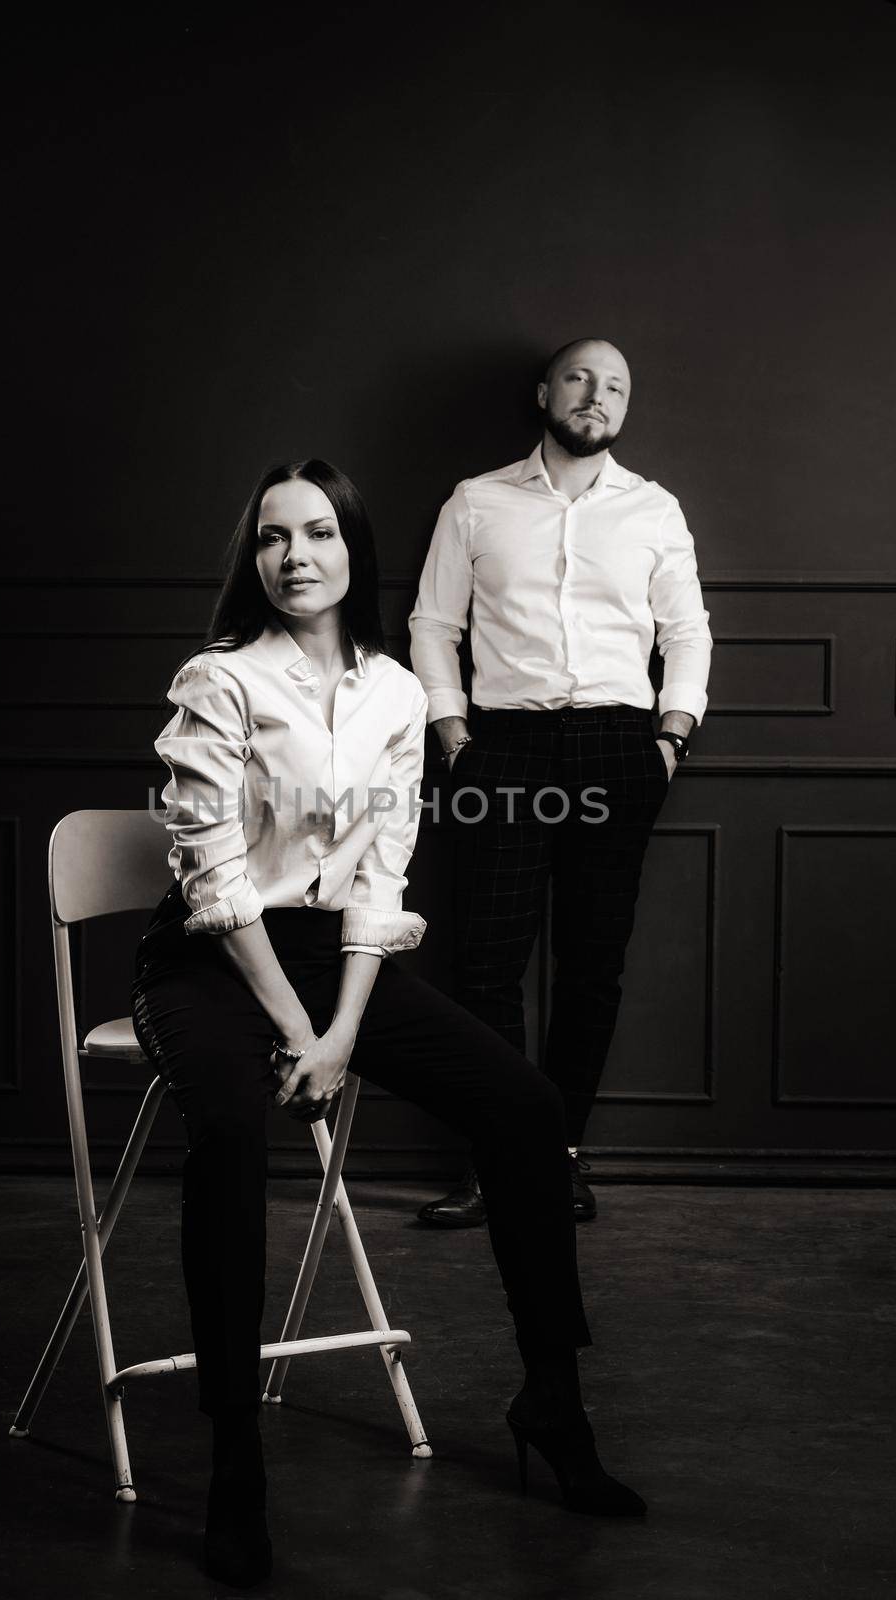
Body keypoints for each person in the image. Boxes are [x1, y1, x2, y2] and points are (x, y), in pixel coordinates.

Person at [131, 457, 647, 1589]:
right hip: (216, 962)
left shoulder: (396, 695)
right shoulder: (219, 681)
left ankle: (552, 1401)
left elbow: (379, 877)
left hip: (338, 965)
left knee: (524, 1106)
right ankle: (233, 1463)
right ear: (251, 557)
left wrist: (340, 1029)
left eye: (318, 533)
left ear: (353, 549)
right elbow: (215, 887)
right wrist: (293, 1030)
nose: (295, 556)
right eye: (272, 538)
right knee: (225, 1130)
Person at [409, 339, 712, 1227]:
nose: (597, 396)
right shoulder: (476, 502)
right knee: (486, 964)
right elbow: (433, 624)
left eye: (616, 386)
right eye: (581, 378)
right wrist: (453, 731)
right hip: (502, 749)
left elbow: (686, 632)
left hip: (622, 749)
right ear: (545, 392)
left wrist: (671, 738)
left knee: (592, 967)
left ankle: (561, 1156)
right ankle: (498, 1159)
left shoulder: (653, 510)